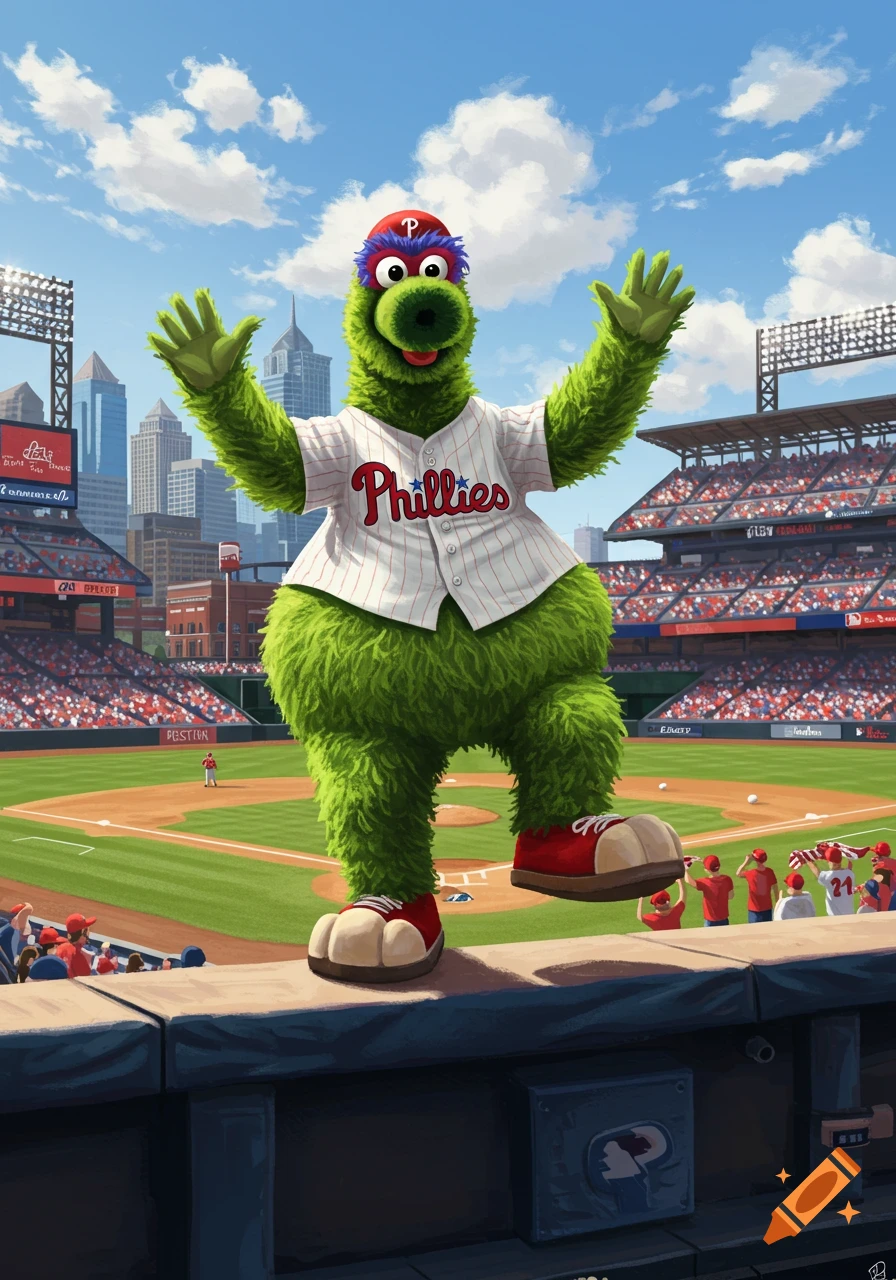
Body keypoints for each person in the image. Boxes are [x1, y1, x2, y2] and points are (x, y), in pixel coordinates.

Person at [685, 855, 734, 927]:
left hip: (710, 920)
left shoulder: (705, 882)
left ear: (707, 870)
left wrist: (685, 869)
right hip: (724, 918)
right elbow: (731, 896)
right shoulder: (727, 879)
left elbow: (688, 880)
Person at [806, 848, 855, 916]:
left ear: (832, 863)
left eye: (828, 861)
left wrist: (808, 860)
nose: (827, 862)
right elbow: (848, 868)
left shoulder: (828, 876)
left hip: (835, 917)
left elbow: (816, 871)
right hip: (850, 915)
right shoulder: (850, 873)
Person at [736, 848, 778, 924]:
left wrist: (746, 862)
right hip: (767, 908)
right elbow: (775, 889)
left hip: (754, 910)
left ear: (755, 860)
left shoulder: (751, 873)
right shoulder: (770, 872)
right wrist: (777, 904)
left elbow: (738, 873)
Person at [56, 913, 98, 978]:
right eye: (87, 930)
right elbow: (87, 982)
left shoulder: (60, 948)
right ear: (83, 933)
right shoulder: (79, 957)